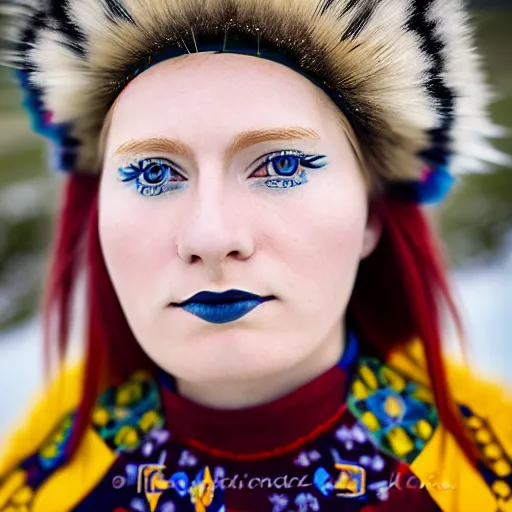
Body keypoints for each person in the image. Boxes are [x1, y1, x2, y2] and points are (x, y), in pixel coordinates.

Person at [0, 0, 510, 511]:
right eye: (153, 173)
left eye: (282, 164)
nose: (210, 237)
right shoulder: (42, 472)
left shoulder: (480, 478)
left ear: (372, 215)